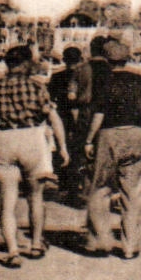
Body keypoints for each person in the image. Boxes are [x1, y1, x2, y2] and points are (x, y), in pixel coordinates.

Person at [0, 44, 70, 266]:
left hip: (3, 140)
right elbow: (54, 118)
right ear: (27, 64)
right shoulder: (37, 88)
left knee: (7, 201)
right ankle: (36, 244)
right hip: (32, 140)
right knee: (35, 196)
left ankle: (12, 251)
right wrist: (63, 147)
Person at [82, 38, 141, 259]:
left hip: (109, 135)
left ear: (106, 59)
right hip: (136, 134)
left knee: (100, 188)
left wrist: (88, 140)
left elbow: (99, 114)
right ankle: (130, 246)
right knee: (133, 192)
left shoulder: (105, 81)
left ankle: (101, 241)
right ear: (127, 58)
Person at [47, 46, 92, 196]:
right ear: (80, 58)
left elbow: (50, 99)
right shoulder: (85, 74)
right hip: (82, 116)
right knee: (79, 149)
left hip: (62, 116)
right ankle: (79, 181)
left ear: (64, 60)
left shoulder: (57, 76)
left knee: (63, 147)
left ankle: (64, 181)